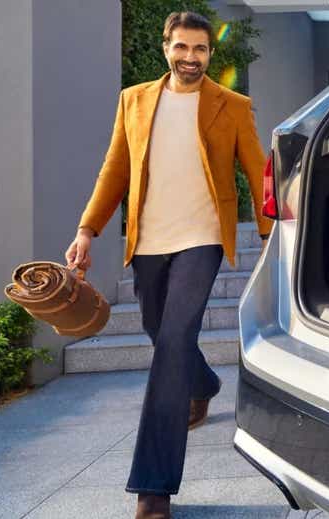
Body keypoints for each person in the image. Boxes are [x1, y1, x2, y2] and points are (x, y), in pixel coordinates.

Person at [64, 11, 273, 519]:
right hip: (149, 242)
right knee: (162, 333)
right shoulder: (134, 100)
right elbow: (115, 169)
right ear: (166, 48)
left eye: (200, 50)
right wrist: (87, 230)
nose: (191, 58)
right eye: (182, 48)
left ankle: (153, 490)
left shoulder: (232, 105)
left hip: (201, 240)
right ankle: (202, 384)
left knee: (174, 340)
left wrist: (270, 236)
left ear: (209, 53)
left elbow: (258, 171)